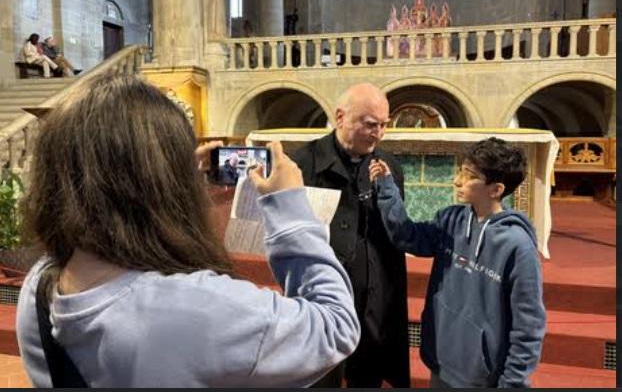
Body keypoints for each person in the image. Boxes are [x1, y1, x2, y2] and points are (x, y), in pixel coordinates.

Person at [15, 74, 360, 388]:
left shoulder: (39, 285)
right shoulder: (198, 307)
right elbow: (335, 327)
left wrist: (177, 175)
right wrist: (290, 208)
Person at [369, 137, 546, 388]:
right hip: (441, 360)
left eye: (469, 175)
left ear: (495, 189)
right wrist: (387, 188)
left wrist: (514, 382)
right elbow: (408, 237)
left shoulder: (517, 246)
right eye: (461, 170)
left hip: (481, 376)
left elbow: (529, 324)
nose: (457, 180)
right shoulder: (450, 220)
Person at [291, 83, 410, 387]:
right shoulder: (301, 164)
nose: (379, 133)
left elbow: (395, 230)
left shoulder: (389, 167)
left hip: (374, 292)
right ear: (340, 117)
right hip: (324, 289)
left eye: (384, 125)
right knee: (320, 369)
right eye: (370, 124)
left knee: (367, 372)